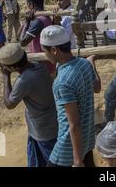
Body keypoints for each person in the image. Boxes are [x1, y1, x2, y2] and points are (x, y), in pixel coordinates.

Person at [40, 25, 101, 167]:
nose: (45, 56)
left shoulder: (62, 83)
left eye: (45, 51)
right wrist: (91, 63)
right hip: (86, 140)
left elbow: (73, 125)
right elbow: (97, 88)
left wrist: (77, 161)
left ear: (54, 50)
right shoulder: (84, 64)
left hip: (68, 149)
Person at [0, 43, 57, 167]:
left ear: (12, 68)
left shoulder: (24, 80)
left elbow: (9, 104)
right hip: (46, 123)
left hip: (42, 130)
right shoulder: (40, 66)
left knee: (53, 162)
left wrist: (5, 76)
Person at [19, 0, 55, 74]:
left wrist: (27, 22)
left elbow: (22, 42)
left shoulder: (38, 21)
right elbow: (18, 35)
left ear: (31, 5)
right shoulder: (46, 17)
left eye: (28, 4)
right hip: (48, 64)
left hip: (42, 66)